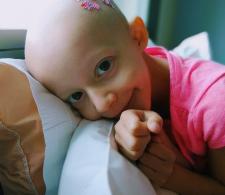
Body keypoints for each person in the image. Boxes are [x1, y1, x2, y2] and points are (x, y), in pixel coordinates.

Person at [25, 0, 225, 194]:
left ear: (138, 37)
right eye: (77, 95)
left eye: (103, 67)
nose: (102, 105)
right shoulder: (132, 86)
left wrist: (172, 175)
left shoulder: (216, 103)